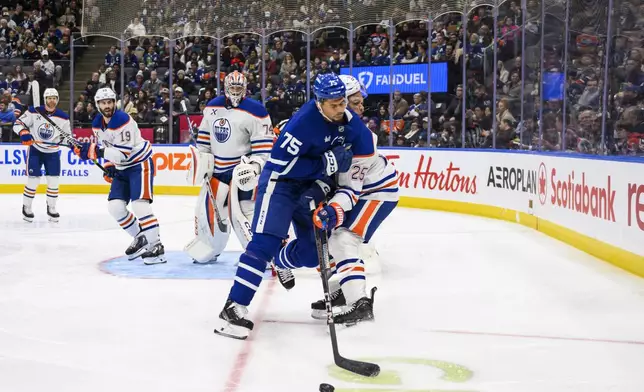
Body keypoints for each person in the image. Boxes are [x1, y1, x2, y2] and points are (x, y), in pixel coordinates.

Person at [214, 73, 371, 340]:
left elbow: (361, 161)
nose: (340, 109)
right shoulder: (302, 124)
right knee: (264, 242)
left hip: (312, 187)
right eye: (333, 104)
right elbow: (282, 165)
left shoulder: (353, 124)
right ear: (319, 102)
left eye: (342, 102)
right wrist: (327, 163)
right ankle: (233, 308)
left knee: (313, 254)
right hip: (282, 186)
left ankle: (280, 258)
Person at [185, 70, 274, 264]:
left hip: (242, 173)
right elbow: (205, 139)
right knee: (208, 215)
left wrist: (256, 166)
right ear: (225, 88)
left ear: (245, 89)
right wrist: (202, 159)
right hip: (217, 172)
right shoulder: (212, 106)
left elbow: (265, 148)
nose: (235, 91)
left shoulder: (256, 111)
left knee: (243, 215)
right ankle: (211, 248)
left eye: (238, 87)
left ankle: (259, 254)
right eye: (232, 87)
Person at [72, 87, 166, 265]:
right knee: (115, 207)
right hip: (122, 169)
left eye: (110, 102)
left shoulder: (123, 120)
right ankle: (140, 236)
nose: (107, 106)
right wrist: (108, 167)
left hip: (140, 165)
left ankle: (157, 246)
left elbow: (122, 153)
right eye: (103, 103)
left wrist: (95, 152)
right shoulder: (97, 123)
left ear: (115, 102)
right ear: (97, 105)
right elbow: (105, 144)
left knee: (140, 206)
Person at [13, 88, 68, 222]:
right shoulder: (33, 111)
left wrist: (68, 142)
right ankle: (27, 207)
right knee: (33, 180)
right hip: (36, 150)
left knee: (53, 181)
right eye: (49, 98)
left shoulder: (63, 117)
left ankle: (52, 207)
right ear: (45, 99)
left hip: (53, 152)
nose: (52, 100)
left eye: (54, 98)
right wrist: (23, 133)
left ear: (57, 99)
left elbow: (67, 136)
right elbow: (17, 124)